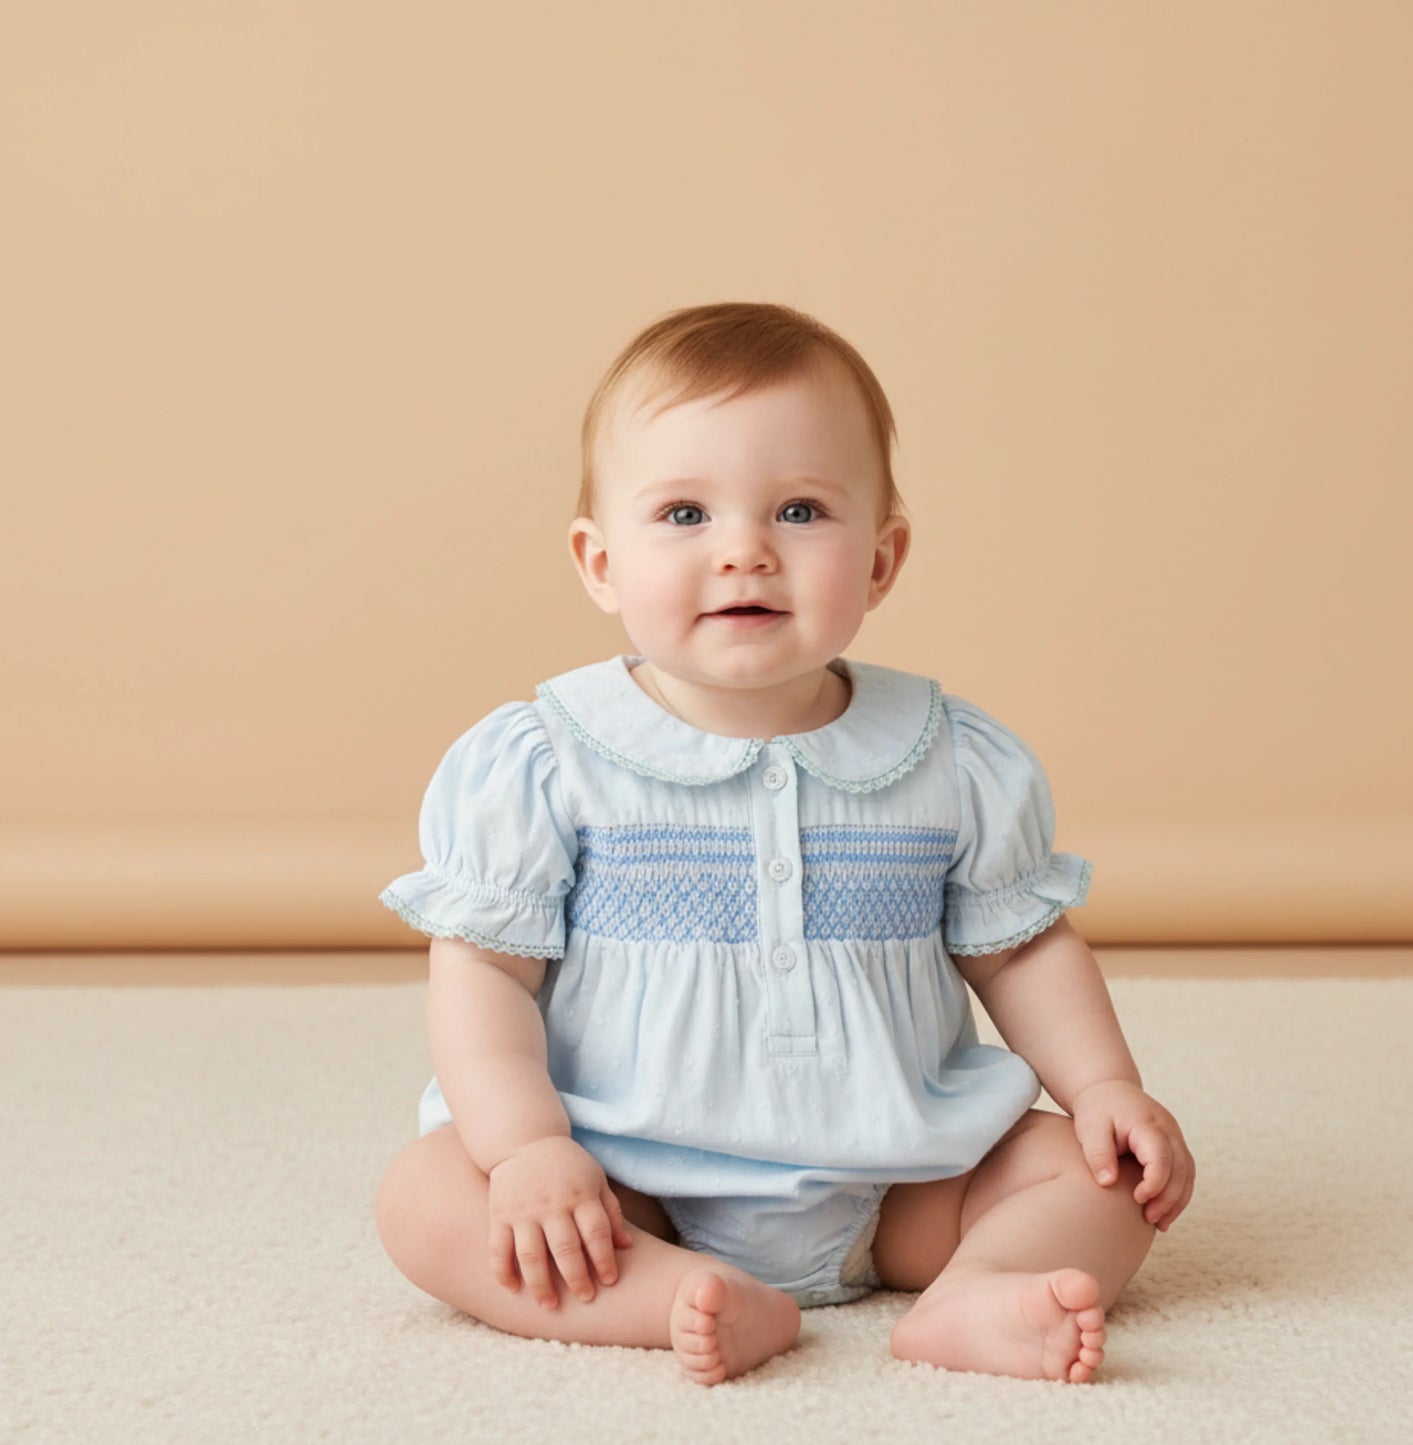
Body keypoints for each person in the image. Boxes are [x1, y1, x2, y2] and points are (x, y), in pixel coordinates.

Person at [373, 301, 1195, 1386]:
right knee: (427, 1198)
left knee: (1102, 1179)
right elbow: (483, 971)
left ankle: (969, 1294)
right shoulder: (548, 760)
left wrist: (1100, 1086)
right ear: (598, 560)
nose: (744, 551)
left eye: (800, 509)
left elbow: (1020, 947)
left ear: (882, 558)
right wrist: (528, 1147)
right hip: (625, 1183)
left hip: (907, 1179)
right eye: (682, 514)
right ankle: (674, 1295)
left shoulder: (948, 756)